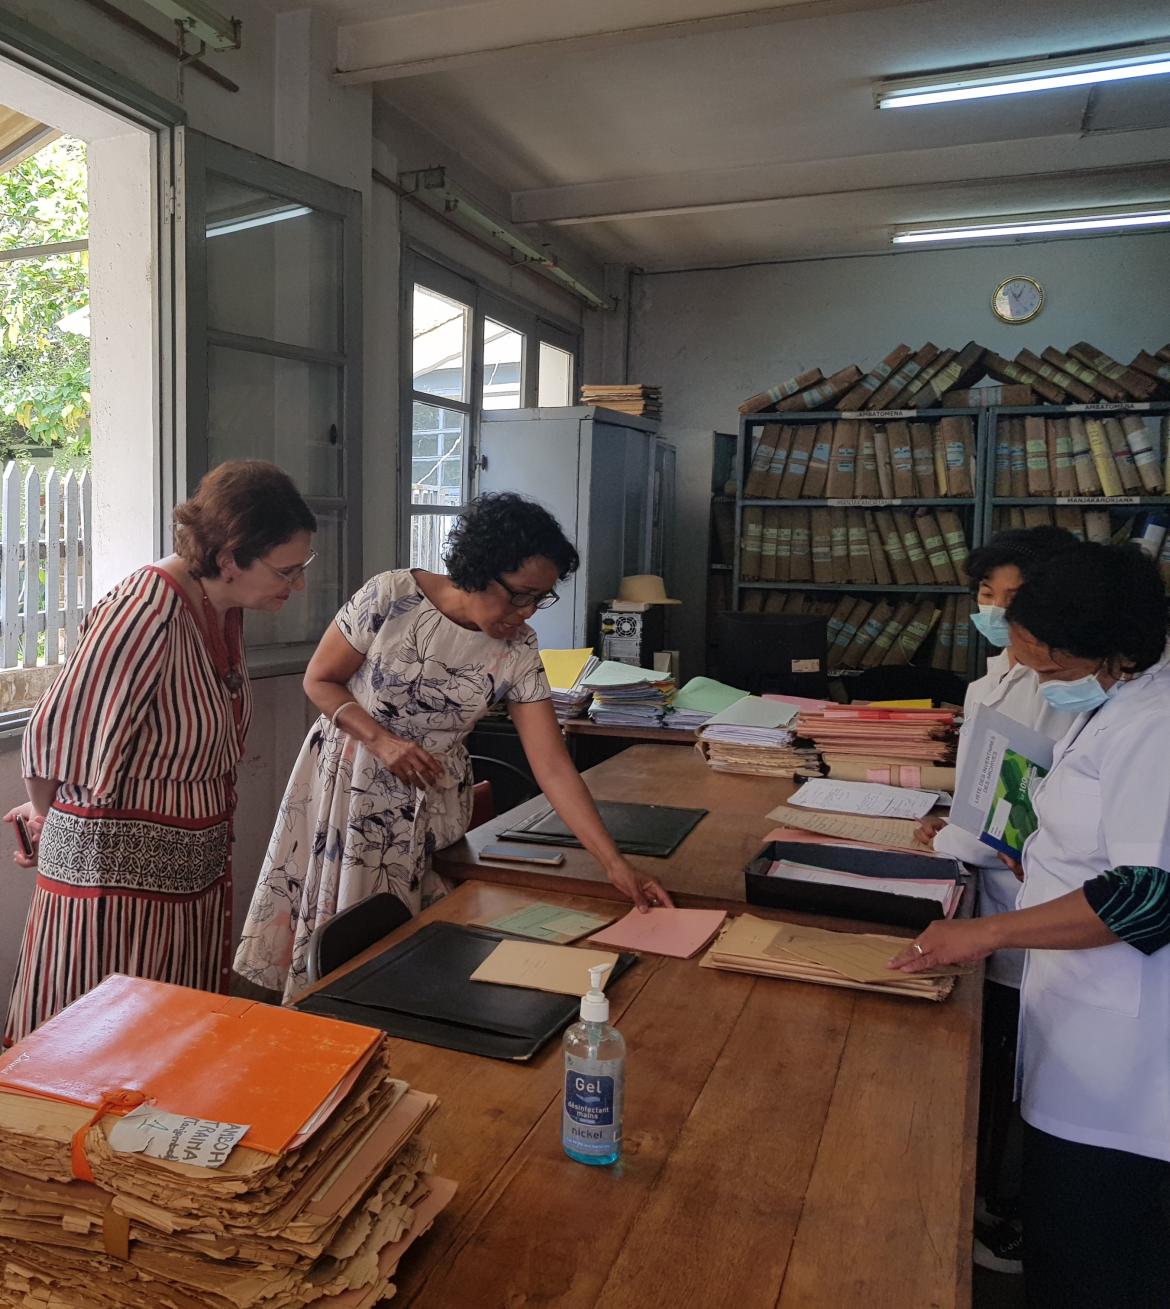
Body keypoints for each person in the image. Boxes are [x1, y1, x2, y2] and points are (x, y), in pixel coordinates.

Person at [235, 492, 673, 1002]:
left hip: (433, 802)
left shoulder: (518, 649)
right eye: (519, 594)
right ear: (480, 570)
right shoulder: (391, 595)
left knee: (416, 954)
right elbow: (319, 680)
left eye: (540, 598)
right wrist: (383, 741)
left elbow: (552, 765)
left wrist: (614, 864)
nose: (526, 612)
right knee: (341, 952)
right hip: (351, 785)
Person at [891, 541, 1170, 1308]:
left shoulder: (1157, 723)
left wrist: (984, 933)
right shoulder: (1118, 704)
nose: (1042, 684)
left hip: (1125, 1074)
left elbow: (1148, 895)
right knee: (1063, 1247)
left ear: (1106, 652)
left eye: (1049, 670)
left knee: (1097, 1266)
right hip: (1079, 1032)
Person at [3, 460, 317, 1045]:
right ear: (229, 558)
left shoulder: (221, 610)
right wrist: (43, 813)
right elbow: (61, 733)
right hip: (112, 883)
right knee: (93, 1043)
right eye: (286, 570)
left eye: (301, 569)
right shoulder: (147, 606)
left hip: (182, 883)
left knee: (165, 1043)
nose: (295, 585)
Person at [915, 525, 1077, 1271]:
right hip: (990, 893)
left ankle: (990, 1207)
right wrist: (951, 825)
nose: (997, 612)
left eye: (1013, 600)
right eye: (987, 595)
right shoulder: (995, 678)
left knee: (1008, 1062)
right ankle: (981, 1200)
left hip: (1028, 905)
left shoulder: (1063, 691)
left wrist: (953, 836)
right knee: (990, 1057)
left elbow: (1017, 811)